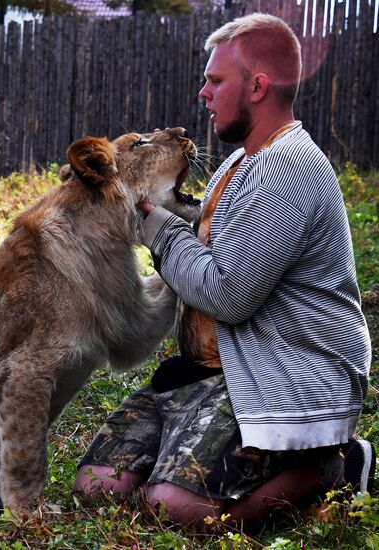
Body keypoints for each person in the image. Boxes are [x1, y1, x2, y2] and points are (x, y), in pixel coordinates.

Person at [74, 13, 373, 529]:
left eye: (215, 81)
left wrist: (158, 228)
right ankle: (203, 459)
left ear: (257, 86)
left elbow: (229, 295)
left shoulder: (290, 167)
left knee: (172, 508)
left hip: (284, 376)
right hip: (213, 374)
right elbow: (205, 245)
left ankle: (333, 464)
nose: (203, 93)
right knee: (98, 488)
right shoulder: (240, 164)